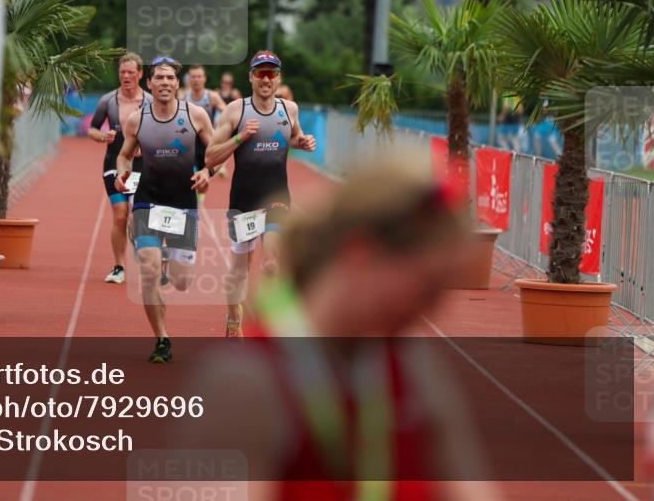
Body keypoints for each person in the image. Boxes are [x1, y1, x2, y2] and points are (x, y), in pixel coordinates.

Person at [188, 156, 498, 501]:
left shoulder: (411, 364)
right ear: (360, 254)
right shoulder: (247, 381)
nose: (433, 310)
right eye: (427, 288)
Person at [206, 50, 315, 337]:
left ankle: (264, 325)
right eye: (261, 73)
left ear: (278, 78)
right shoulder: (236, 111)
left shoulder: (289, 109)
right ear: (251, 77)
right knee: (240, 267)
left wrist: (302, 142)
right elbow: (210, 157)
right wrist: (239, 137)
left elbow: (293, 137)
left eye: (272, 73)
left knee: (271, 264)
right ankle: (234, 320)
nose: (266, 79)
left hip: (277, 196)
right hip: (244, 200)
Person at [115, 55, 214, 362]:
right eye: (159, 77)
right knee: (148, 269)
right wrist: (122, 172)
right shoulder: (137, 119)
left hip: (183, 204)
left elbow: (215, 152)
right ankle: (162, 339)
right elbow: (124, 155)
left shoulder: (196, 115)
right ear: (149, 83)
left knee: (182, 282)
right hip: (148, 201)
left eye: (170, 77)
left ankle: (168, 259)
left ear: (177, 83)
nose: (165, 82)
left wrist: (207, 172)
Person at [88, 53, 152, 284]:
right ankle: (119, 266)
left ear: (140, 74)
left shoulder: (151, 101)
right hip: (113, 164)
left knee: (137, 216)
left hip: (141, 166)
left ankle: (141, 249)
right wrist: (102, 136)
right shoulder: (108, 100)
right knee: (120, 215)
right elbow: (92, 129)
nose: (126, 76)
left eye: (130, 72)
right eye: (122, 72)